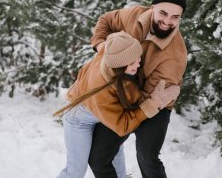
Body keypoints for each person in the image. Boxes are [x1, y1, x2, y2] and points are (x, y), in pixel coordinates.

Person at [88, 0, 188, 178]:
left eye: (175, 17)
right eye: (163, 13)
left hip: (156, 101)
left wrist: (129, 114)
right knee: (98, 158)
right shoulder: (135, 15)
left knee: (147, 156)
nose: (168, 21)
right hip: (125, 90)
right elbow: (106, 20)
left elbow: (148, 98)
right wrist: (102, 47)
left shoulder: (175, 56)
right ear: (153, 8)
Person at [54, 31, 181, 178]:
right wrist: (152, 104)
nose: (138, 63)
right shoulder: (102, 91)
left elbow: (112, 34)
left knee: (113, 158)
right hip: (79, 120)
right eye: (132, 62)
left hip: (104, 115)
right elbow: (123, 125)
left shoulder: (112, 52)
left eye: (137, 57)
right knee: (76, 171)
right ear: (119, 65)